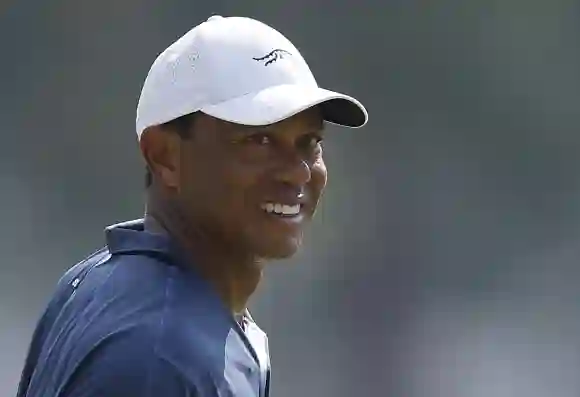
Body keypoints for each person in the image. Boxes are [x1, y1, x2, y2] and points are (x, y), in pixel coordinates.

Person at [16, 15, 368, 397]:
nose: (297, 173)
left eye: (310, 142)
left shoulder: (97, 281)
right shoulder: (159, 356)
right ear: (164, 155)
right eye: (260, 141)